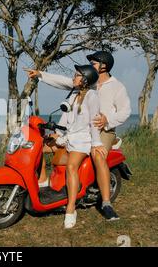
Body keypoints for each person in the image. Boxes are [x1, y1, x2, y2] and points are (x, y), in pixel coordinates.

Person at [26, 51, 131, 221]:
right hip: (78, 130)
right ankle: (45, 182)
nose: (90, 64)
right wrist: (41, 74)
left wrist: (107, 121)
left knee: (98, 156)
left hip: (103, 130)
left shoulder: (116, 86)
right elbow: (62, 81)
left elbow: (125, 111)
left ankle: (106, 203)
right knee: (40, 145)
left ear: (104, 66)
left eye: (94, 62)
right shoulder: (86, 81)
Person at [46, 64, 106, 229]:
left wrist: (96, 143)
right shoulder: (73, 95)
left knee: (71, 167)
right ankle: (43, 181)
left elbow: (94, 123)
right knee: (38, 147)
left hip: (82, 140)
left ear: (85, 79)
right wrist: (56, 133)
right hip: (68, 137)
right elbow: (65, 119)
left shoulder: (92, 96)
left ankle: (71, 209)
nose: (73, 78)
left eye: (77, 75)